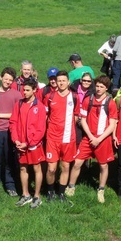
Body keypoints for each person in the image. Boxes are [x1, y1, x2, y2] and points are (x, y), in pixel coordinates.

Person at [66, 76, 118, 203]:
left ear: (106, 88)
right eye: (98, 86)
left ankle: (101, 189)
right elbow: (82, 119)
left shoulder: (110, 102)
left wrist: (99, 139)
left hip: (102, 139)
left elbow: (112, 124)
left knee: (103, 165)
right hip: (88, 138)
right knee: (77, 163)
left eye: (102, 87)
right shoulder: (88, 99)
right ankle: (71, 186)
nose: (99, 89)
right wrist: (91, 137)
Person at [10, 80, 47, 209]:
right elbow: (13, 123)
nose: (24, 93)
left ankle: (37, 196)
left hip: (33, 145)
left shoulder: (40, 107)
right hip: (20, 144)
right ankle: (25, 195)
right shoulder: (19, 104)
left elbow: (41, 129)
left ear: (34, 90)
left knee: (37, 169)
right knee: (23, 168)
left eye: (27, 90)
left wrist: (29, 143)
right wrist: (16, 140)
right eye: (23, 90)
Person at [44, 71, 77, 203]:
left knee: (65, 167)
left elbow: (76, 116)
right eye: (59, 81)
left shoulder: (74, 97)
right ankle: (50, 192)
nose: (61, 83)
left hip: (68, 138)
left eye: (64, 80)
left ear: (68, 82)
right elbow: (46, 117)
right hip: (52, 138)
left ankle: (61, 193)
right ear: (56, 82)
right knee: (51, 169)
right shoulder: (50, 96)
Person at [0, 67, 21, 197]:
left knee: (10, 161)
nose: (7, 82)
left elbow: (18, 114)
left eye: (10, 80)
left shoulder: (16, 95)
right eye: (6, 79)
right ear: (1, 77)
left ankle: (10, 185)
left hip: (9, 132)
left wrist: (0, 115)